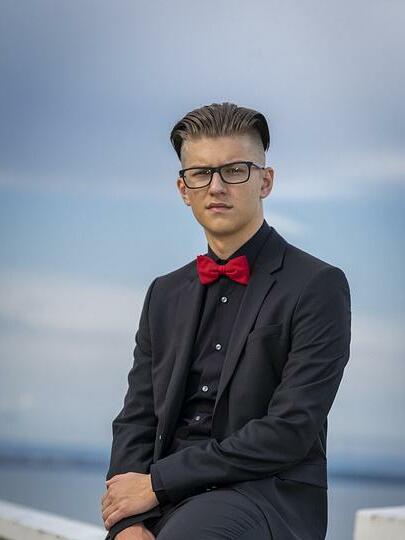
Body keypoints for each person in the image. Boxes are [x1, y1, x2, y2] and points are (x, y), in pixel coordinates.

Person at [101, 102, 351, 539]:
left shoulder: (318, 285)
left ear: (265, 181)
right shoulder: (163, 293)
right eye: (201, 173)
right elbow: (137, 418)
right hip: (164, 497)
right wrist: (127, 520)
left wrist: (158, 482)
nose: (216, 186)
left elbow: (289, 430)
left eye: (235, 170)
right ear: (184, 189)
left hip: (264, 496)